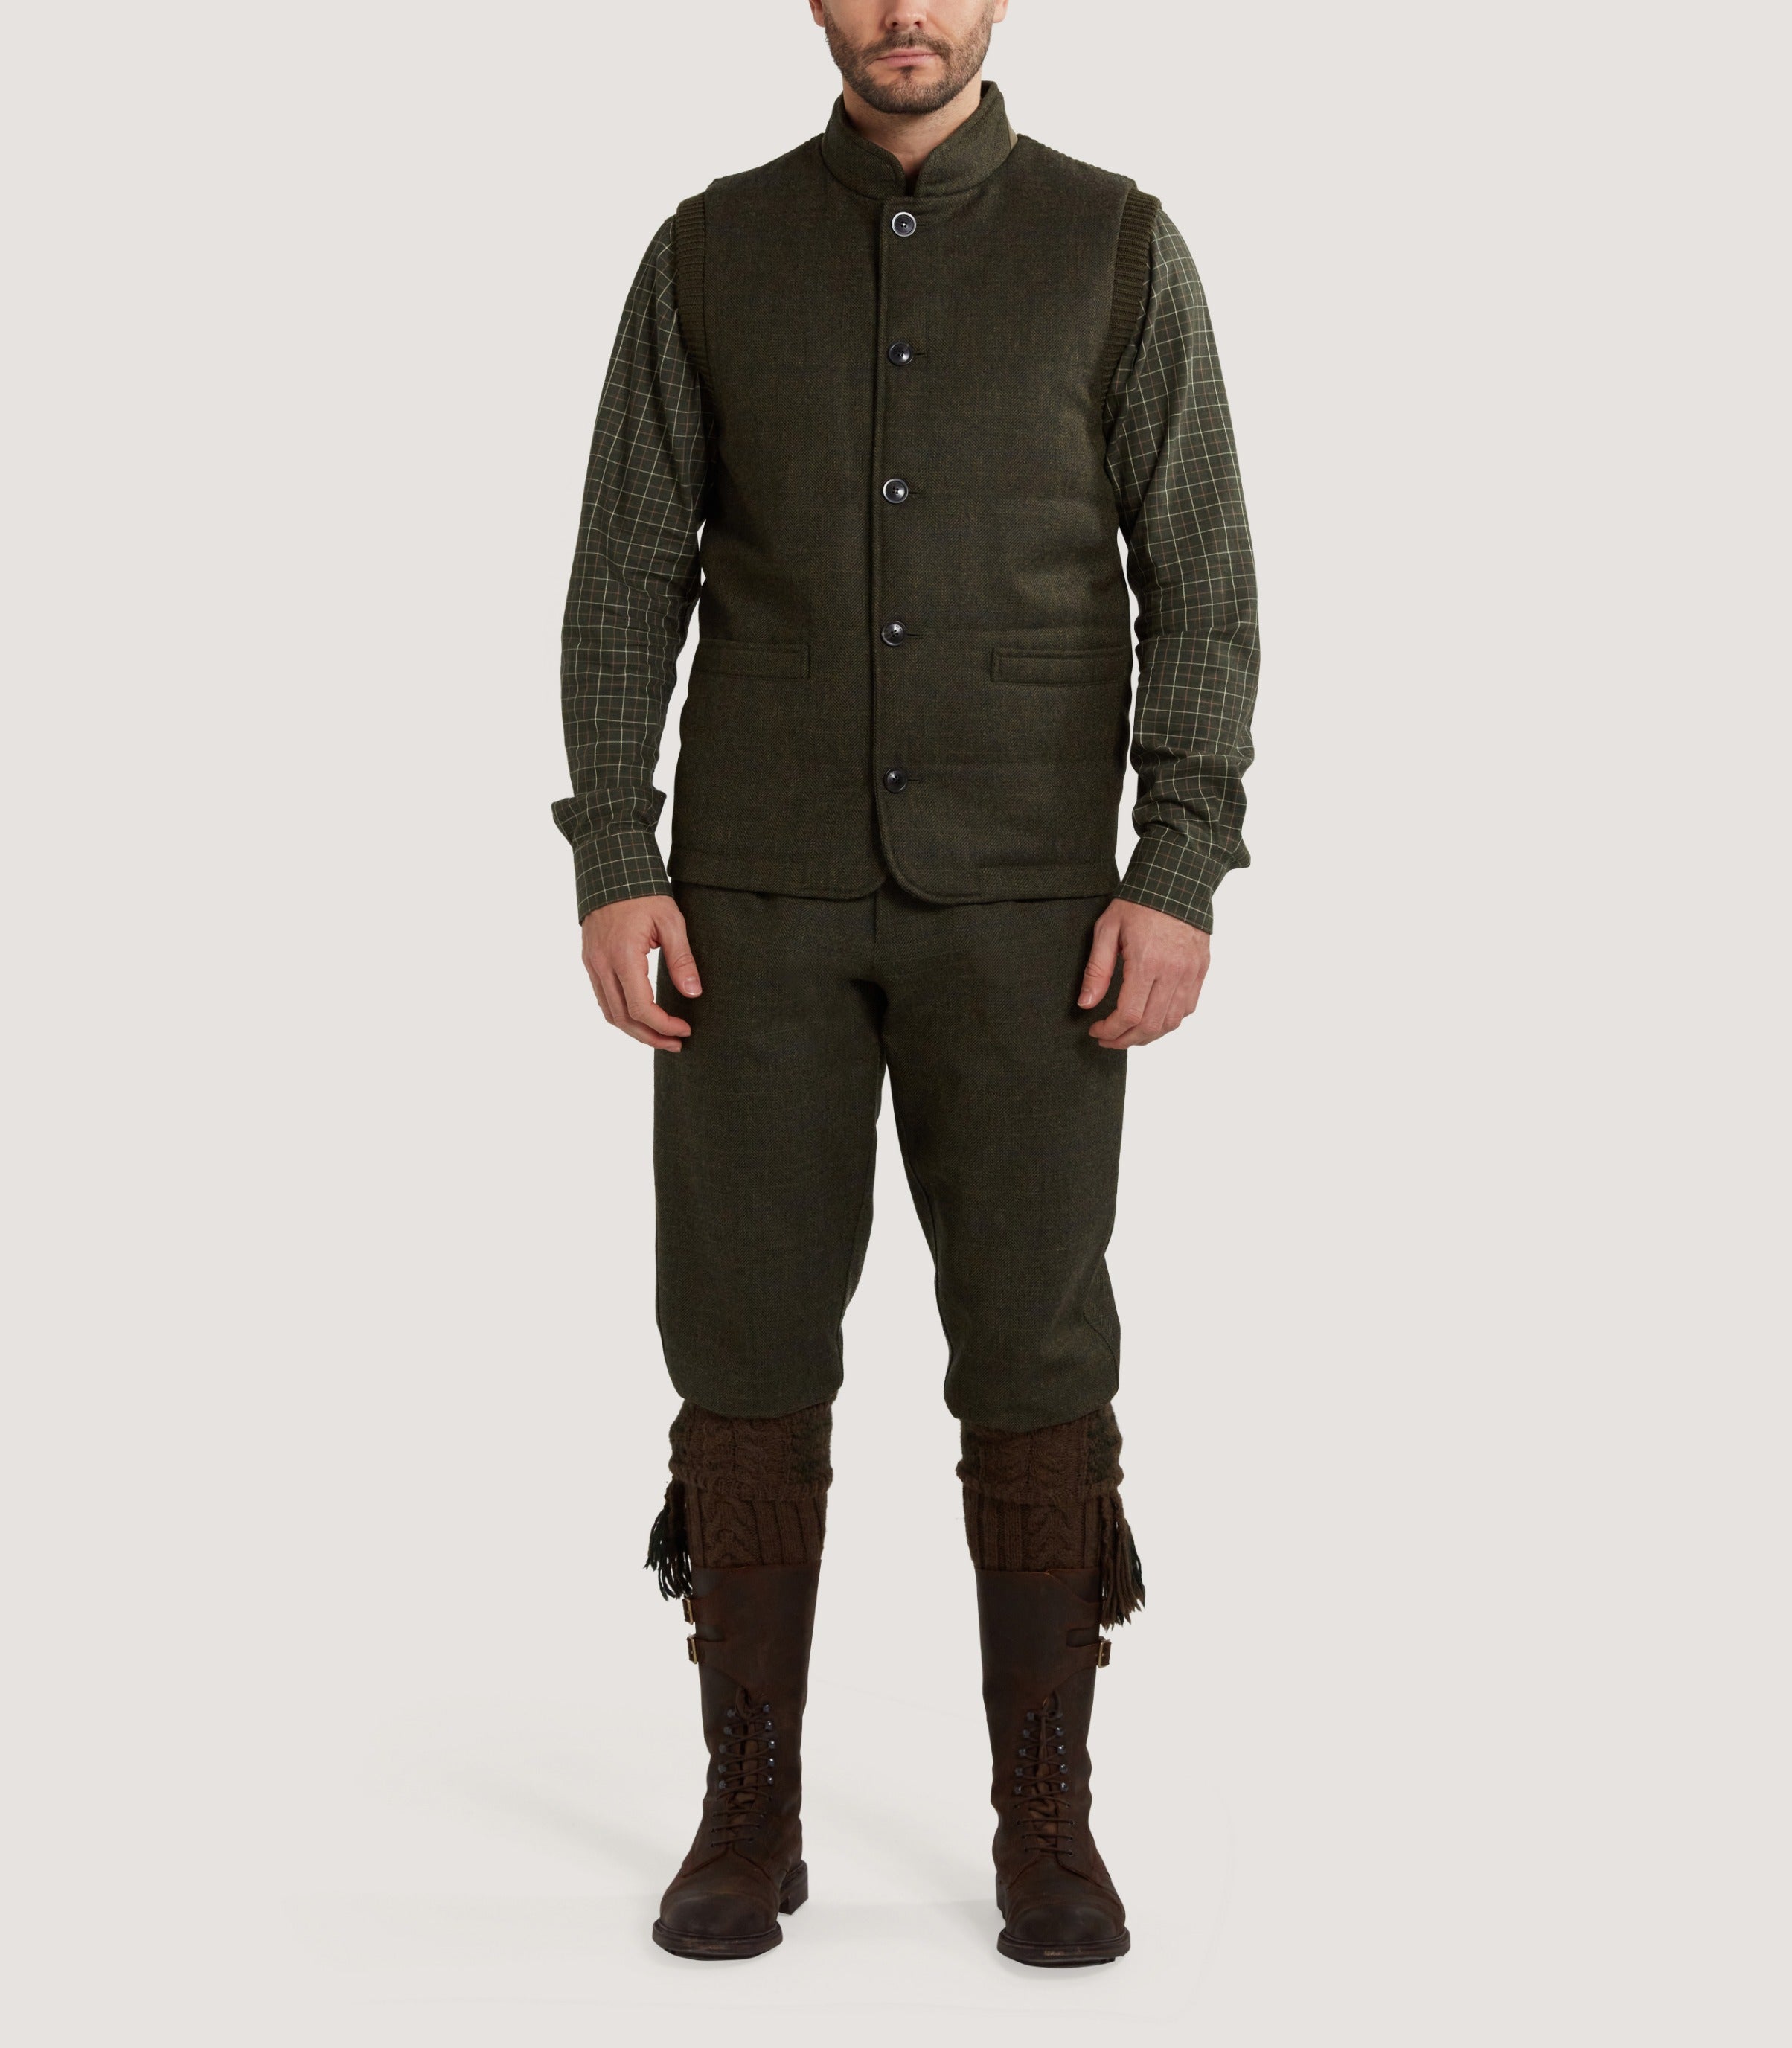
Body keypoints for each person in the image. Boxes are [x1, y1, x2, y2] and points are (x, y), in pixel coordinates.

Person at [551, 0, 1257, 1967]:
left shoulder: (1118, 244)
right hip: (749, 899)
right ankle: (748, 1804)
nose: (905, 15)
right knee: (741, 1343)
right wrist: (615, 854)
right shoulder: (710, 248)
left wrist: (1178, 865)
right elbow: (625, 574)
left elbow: (1201, 578)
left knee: (1034, 1350)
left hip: (1032, 905)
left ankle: (1047, 1813)